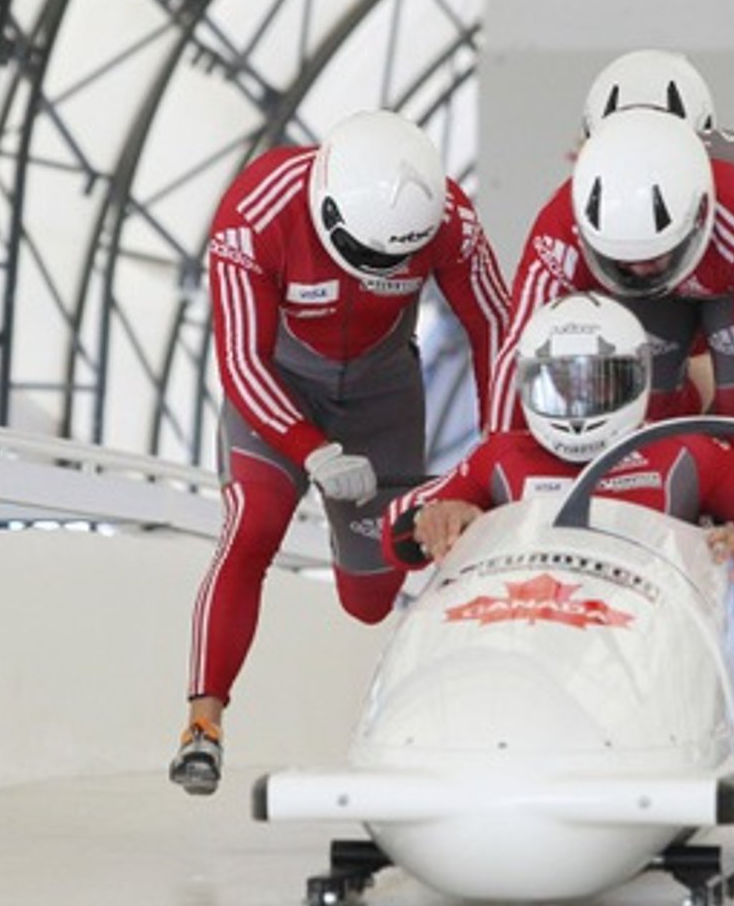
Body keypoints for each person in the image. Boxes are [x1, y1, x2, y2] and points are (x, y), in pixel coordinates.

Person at [168, 109, 510, 796]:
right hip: (279, 392)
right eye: (366, 253)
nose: (380, 269)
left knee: (369, 597)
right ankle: (202, 726)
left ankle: (350, 537)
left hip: (381, 398)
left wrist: (499, 443)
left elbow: (495, 327)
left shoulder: (452, 222)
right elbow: (240, 359)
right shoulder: (255, 212)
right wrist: (311, 450)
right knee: (251, 528)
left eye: (394, 260)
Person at [487, 99, 734, 674]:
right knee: (637, 415)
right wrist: (505, 475)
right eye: (625, 258)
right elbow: (521, 352)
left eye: (652, 256)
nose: (640, 269)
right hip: (646, 308)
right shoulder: (561, 222)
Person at [383, 291, 734, 655]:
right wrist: (433, 517)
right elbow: (398, 526)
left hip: (651, 642)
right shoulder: (501, 457)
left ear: (635, 379)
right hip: (522, 636)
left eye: (598, 382)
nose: (579, 403)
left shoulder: (681, 454)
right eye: (561, 384)